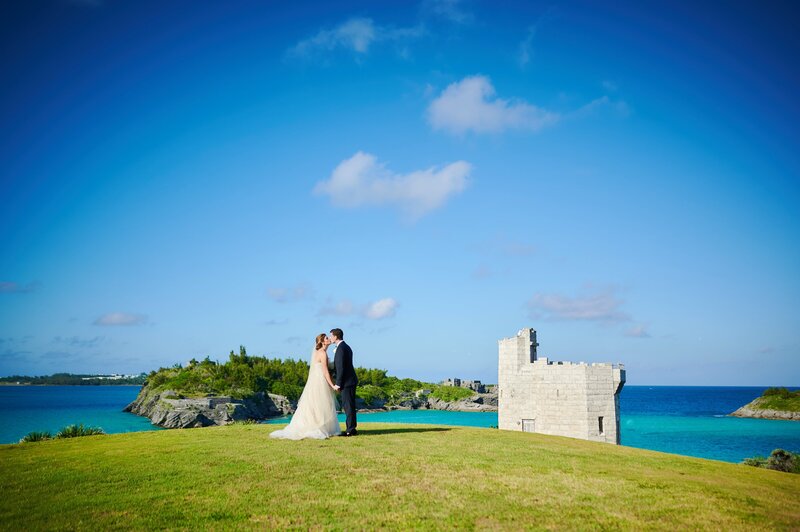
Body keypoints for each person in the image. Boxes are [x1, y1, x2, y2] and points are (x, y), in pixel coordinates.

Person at [269, 333, 341, 440]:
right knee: (321, 403)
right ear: (322, 342)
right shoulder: (322, 353)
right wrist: (333, 385)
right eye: (326, 338)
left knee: (315, 403)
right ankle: (319, 426)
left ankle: (319, 425)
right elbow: (325, 372)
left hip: (315, 381)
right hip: (320, 381)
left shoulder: (319, 352)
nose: (329, 339)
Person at [331, 328, 358, 436]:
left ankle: (350, 430)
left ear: (336, 336)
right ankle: (351, 428)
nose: (330, 338)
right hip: (349, 381)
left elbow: (341, 367)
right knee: (349, 406)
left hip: (347, 382)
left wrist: (338, 383)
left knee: (348, 406)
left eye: (331, 336)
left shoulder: (341, 348)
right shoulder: (344, 347)